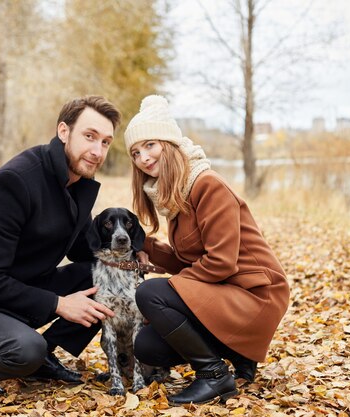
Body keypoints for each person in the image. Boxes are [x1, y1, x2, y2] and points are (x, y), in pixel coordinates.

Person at [0, 95, 122, 396]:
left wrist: (130, 255)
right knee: (25, 351)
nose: (97, 150)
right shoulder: (15, 182)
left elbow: (80, 249)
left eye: (105, 142)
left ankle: (46, 355)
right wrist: (61, 304)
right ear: (64, 131)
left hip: (26, 289)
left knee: (111, 274)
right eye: (90, 136)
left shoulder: (76, 182)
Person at [124, 95, 290, 405]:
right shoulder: (175, 196)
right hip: (224, 292)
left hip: (255, 294)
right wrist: (144, 247)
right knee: (148, 345)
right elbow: (191, 260)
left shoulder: (206, 185)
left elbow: (221, 263)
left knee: (150, 295)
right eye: (135, 152)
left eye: (150, 145)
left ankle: (214, 375)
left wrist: (168, 292)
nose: (144, 157)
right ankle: (238, 355)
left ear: (169, 144)